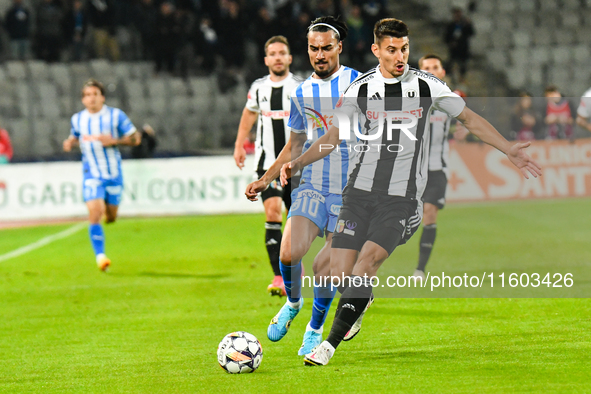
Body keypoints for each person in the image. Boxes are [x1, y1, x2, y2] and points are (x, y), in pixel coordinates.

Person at [280, 18, 542, 366]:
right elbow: (332, 138)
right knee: (339, 275)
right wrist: (298, 162)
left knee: (367, 264)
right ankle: (360, 299)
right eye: (392, 50)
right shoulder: (359, 89)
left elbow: (470, 119)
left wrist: (508, 148)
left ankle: (326, 346)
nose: (400, 56)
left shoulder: (426, 85)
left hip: (399, 201)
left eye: (404, 48)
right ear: (376, 51)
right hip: (357, 196)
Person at [245, 16, 360, 356]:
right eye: (313, 48)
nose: (320, 54)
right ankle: (293, 303)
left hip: (352, 192)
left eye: (326, 48)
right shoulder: (301, 92)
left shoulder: (357, 84)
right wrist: (266, 176)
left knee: (323, 266)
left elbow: (334, 136)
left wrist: (299, 162)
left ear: (339, 47)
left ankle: (315, 326)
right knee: (289, 252)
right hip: (313, 185)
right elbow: (295, 142)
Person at [233, 35, 303, 296]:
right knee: (272, 212)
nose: (277, 57)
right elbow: (249, 113)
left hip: (296, 166)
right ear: (266, 59)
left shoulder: (299, 87)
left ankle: (294, 266)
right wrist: (240, 143)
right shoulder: (259, 87)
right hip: (266, 165)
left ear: (289, 58)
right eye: (272, 53)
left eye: (281, 53)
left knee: (296, 221)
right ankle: (279, 277)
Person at [63, 79, 141, 271]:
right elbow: (75, 134)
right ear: (83, 99)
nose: (92, 99)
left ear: (102, 97)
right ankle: (101, 257)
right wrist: (69, 142)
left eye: (95, 95)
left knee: (111, 216)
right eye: (87, 95)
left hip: (113, 173)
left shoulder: (115, 116)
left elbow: (136, 138)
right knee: (95, 213)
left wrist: (114, 140)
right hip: (92, 174)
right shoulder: (78, 119)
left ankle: (109, 215)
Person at [412, 54, 452, 280]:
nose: (430, 71)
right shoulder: (410, 99)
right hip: (410, 169)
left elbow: (469, 123)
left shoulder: (452, 101)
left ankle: (419, 269)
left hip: (436, 169)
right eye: (425, 68)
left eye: (435, 67)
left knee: (430, 214)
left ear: (442, 72)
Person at [444, 7, 474, 84]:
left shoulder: (465, 25)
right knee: (451, 64)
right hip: (454, 49)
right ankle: (450, 78)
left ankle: (461, 79)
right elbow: (446, 37)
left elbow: (471, 33)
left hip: (463, 49)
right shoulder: (451, 25)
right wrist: (451, 43)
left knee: (463, 65)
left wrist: (469, 24)